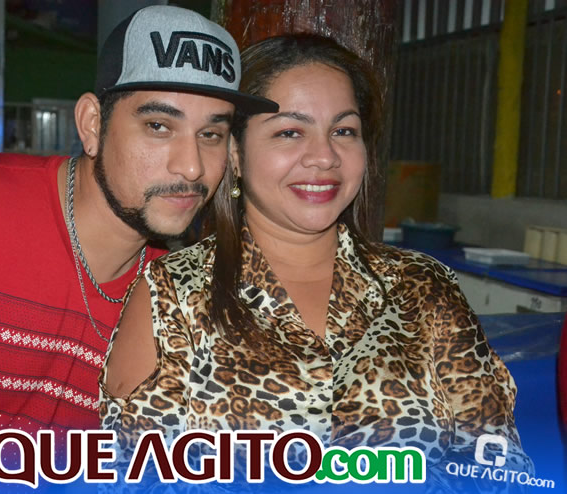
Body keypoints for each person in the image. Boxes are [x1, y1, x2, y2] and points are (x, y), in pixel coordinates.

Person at [0, 4, 276, 462]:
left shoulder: (174, 297)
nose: (192, 166)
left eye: (211, 134)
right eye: (159, 126)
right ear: (92, 124)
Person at [100, 34, 531, 487]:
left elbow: (498, 466)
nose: (324, 157)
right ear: (235, 155)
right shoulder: (174, 295)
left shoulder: (423, 288)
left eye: (344, 131)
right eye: (290, 132)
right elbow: (133, 475)